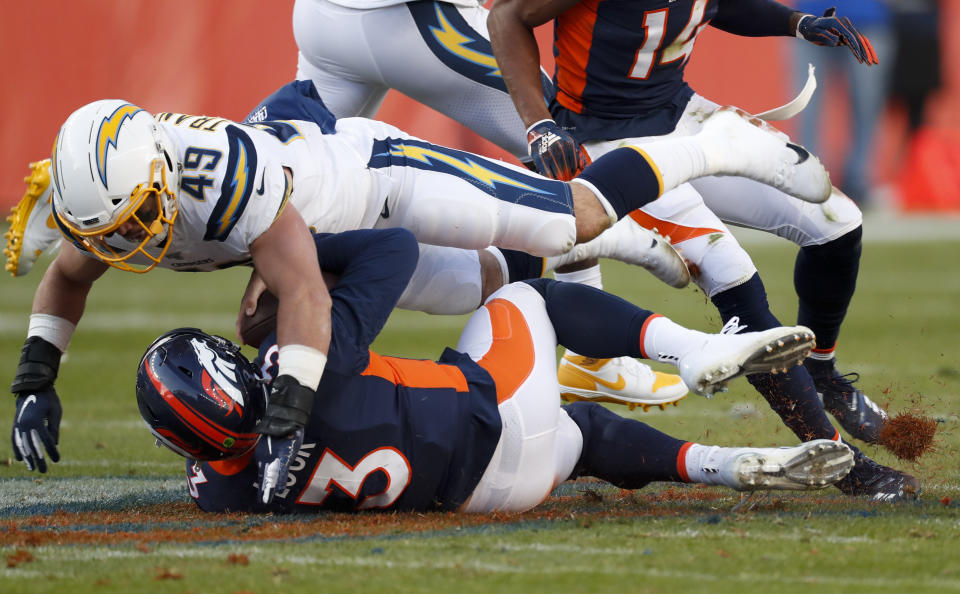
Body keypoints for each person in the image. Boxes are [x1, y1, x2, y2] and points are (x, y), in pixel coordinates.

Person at [8, 84, 830, 507]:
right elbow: (71, 272)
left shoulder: (219, 175)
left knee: (565, 220)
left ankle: (714, 145)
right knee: (494, 281)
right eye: (118, 226)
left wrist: (289, 415)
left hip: (377, 183)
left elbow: (302, 288)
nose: (135, 236)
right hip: (318, 236)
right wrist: (36, 378)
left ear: (158, 167)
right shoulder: (103, 200)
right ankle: (624, 244)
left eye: (144, 214)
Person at [488, 0, 920, 501]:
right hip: (613, 147)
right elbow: (506, 17)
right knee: (732, 273)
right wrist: (539, 124)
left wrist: (796, 22)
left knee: (838, 223)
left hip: (684, 118)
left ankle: (820, 370)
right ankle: (836, 456)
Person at [136, 227, 853, 513]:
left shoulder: (219, 496)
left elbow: (214, 454)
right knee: (527, 296)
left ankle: (729, 464)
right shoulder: (302, 365)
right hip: (491, 419)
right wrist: (293, 255)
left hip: (487, 496)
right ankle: (693, 351)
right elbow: (391, 249)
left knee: (584, 436)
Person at [291, 0, 692, 410]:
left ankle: (271, 377)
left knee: (277, 184)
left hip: (322, 18)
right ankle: (595, 354)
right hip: (411, 18)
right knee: (557, 140)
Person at [791, 1, 895, 205]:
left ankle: (860, 183)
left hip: (868, 19)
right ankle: (807, 180)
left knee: (867, 107)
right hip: (809, 17)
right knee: (806, 104)